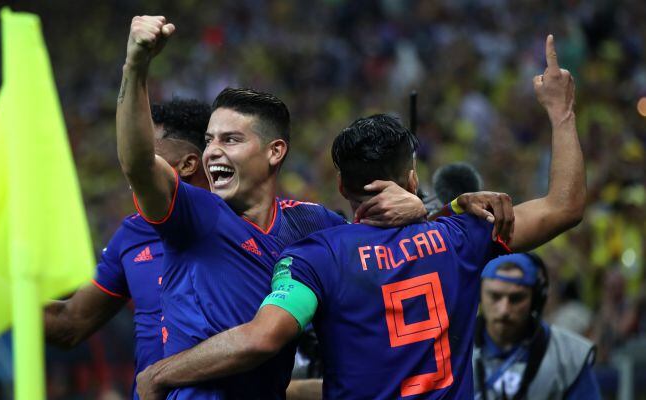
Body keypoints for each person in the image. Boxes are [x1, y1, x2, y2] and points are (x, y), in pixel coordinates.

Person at [134, 34, 586, 399]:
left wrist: (160, 374)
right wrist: (560, 113)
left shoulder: (316, 256)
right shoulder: (461, 236)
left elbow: (262, 338)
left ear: (342, 187)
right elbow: (563, 207)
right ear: (411, 179)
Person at [43, 98, 212, 399]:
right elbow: (70, 323)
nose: (130, 164)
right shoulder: (132, 233)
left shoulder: (240, 227)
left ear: (188, 164)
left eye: (146, 151)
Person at [473, 253, 600, 399]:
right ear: (479, 295)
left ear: (536, 300)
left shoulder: (568, 357)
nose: (504, 310)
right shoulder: (453, 348)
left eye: (516, 298)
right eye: (495, 296)